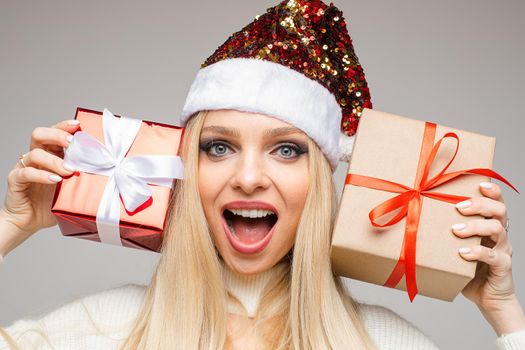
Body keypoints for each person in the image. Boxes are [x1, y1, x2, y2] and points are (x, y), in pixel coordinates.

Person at [1, 0, 525, 349]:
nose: (248, 177)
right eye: (219, 146)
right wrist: (12, 225)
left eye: (287, 151)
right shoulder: (105, 328)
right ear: (186, 171)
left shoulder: (379, 342)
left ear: (320, 185)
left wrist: (504, 312)